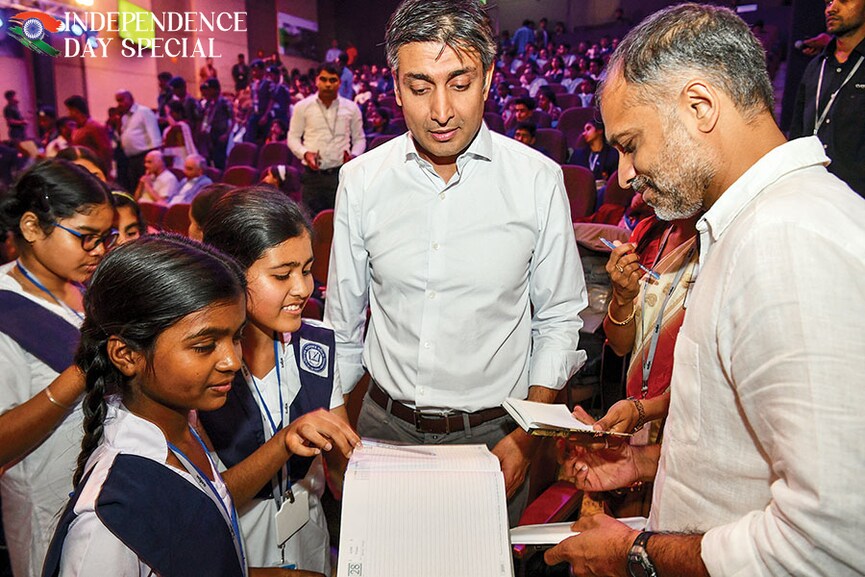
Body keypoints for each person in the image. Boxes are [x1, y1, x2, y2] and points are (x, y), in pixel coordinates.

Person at [543, 5, 865, 576]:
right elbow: (748, 450)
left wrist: (632, 554)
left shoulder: (786, 239)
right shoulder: (752, 227)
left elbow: (830, 543)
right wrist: (644, 464)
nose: (622, 176)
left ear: (700, 107)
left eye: (631, 143)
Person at [324, 0, 587, 527]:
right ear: (396, 87)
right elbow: (343, 325)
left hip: (496, 437)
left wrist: (525, 438)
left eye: (459, 83)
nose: (440, 110)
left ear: (488, 79)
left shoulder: (537, 181)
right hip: (383, 430)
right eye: (420, 87)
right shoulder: (362, 181)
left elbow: (557, 321)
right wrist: (334, 431)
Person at [40, 234, 340, 577]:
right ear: (127, 354)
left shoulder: (184, 429)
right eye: (203, 346)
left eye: (236, 336)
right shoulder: (107, 521)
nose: (231, 360)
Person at [200, 187, 359, 572]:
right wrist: (284, 444)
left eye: (306, 270)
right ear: (230, 273)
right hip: (234, 547)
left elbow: (341, 467)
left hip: (310, 538)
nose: (303, 288)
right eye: (282, 274)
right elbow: (205, 501)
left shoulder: (316, 348)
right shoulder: (198, 363)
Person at [0, 159, 116, 577]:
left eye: (105, 238)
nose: (99, 250)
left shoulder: (83, 288)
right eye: (86, 237)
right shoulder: (6, 307)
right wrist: (80, 375)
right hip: (47, 509)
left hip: (106, 494)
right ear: (32, 228)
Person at [789, 0, 865, 197]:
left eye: (844, 0)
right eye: (828, 2)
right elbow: (797, 133)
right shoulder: (816, 67)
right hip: (811, 196)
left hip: (857, 205)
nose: (831, 8)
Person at [287, 62, 365, 215]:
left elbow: (360, 139)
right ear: (316, 80)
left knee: (342, 224)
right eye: (323, 79)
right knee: (310, 225)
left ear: (339, 82)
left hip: (341, 175)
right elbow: (293, 138)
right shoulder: (302, 106)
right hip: (312, 177)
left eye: (332, 80)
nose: (328, 84)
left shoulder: (351, 108)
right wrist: (305, 154)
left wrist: (354, 156)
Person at [116, 90, 163, 192]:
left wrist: (155, 157)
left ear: (131, 99)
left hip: (144, 156)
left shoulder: (143, 112)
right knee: (134, 188)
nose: (119, 104)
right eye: (117, 101)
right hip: (131, 159)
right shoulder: (124, 117)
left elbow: (154, 134)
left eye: (121, 100)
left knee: (145, 188)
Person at [63, 95, 113, 180]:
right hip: (83, 170)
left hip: (95, 171)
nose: (69, 114)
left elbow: (106, 150)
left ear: (76, 110)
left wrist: (105, 172)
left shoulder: (94, 127)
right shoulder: (77, 128)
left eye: (70, 110)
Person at [199, 77, 233, 170]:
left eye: (209, 89)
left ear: (216, 89)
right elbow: (206, 117)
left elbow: (231, 119)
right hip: (210, 135)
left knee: (220, 160)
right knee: (210, 158)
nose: (207, 92)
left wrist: (226, 134)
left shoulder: (224, 102)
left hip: (221, 134)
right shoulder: (208, 103)